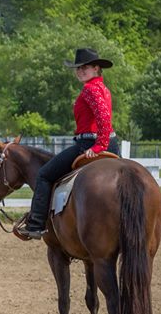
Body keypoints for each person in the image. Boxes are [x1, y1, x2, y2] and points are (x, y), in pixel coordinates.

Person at [16, 48, 122, 240]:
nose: (80, 71)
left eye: (85, 67)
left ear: (96, 68)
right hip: (112, 144)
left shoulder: (90, 89)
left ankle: (36, 224)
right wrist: (105, 143)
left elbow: (103, 118)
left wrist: (98, 146)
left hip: (90, 143)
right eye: (78, 68)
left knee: (44, 175)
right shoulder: (103, 88)